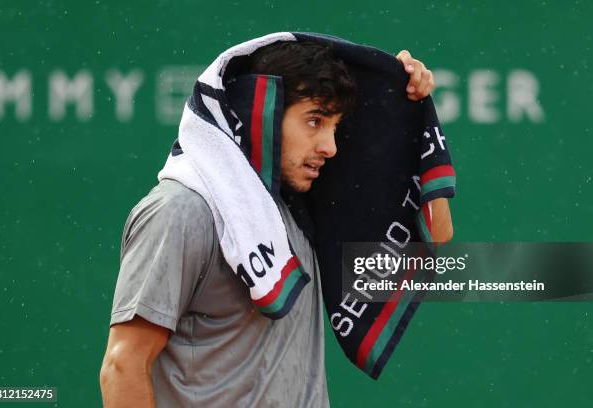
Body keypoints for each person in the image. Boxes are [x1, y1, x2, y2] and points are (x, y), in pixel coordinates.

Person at [99, 40, 452, 407]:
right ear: (260, 112)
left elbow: (435, 236)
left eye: (335, 126)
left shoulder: (301, 211)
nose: (330, 146)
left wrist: (408, 108)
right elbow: (123, 365)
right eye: (314, 120)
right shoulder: (181, 211)